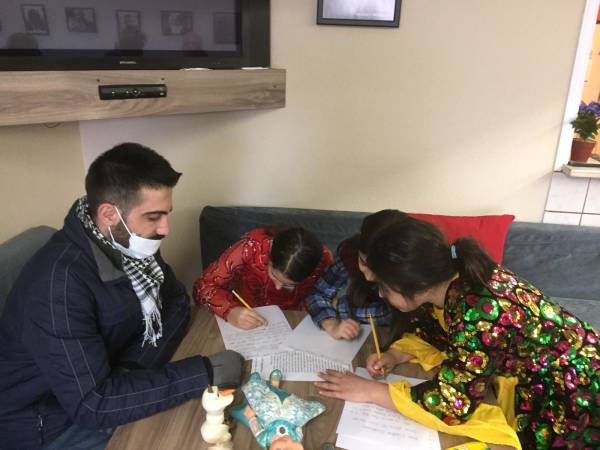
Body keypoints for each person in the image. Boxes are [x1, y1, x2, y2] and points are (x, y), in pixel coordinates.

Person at [0, 143, 244, 450]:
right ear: (109, 214)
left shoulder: (128, 244)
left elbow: (176, 301)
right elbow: (93, 405)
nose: (165, 229)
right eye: (153, 216)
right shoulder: (58, 286)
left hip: (103, 382)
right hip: (46, 423)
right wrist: (203, 373)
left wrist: (134, 369)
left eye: (166, 214)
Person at [315, 217, 600, 450]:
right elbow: (438, 331)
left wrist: (370, 391)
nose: (379, 294)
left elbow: (452, 403)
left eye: (383, 287)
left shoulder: (478, 312)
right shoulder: (454, 282)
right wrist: (395, 354)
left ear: (410, 285)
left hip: (576, 396)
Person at [194, 227, 333, 330]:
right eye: (274, 275)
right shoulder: (251, 248)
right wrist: (230, 311)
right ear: (269, 256)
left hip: (295, 320)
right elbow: (203, 285)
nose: (278, 287)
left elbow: (324, 295)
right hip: (246, 315)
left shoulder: (324, 260)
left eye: (289, 285)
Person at [306, 209, 406, 340]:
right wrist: (331, 325)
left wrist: (340, 306)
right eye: (363, 262)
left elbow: (393, 315)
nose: (368, 277)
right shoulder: (350, 253)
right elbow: (318, 293)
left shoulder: (408, 271)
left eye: (377, 270)